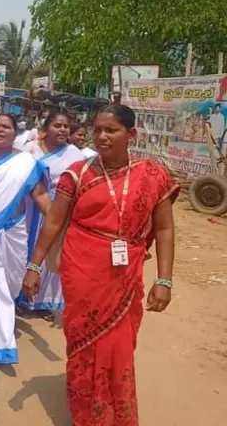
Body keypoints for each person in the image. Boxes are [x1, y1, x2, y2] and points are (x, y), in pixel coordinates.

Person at [22, 105, 178, 425]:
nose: (102, 136)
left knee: (119, 345)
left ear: (131, 134)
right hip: (82, 269)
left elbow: (164, 229)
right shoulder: (78, 173)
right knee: (83, 342)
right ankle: (86, 415)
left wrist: (164, 280)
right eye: (97, 130)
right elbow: (54, 222)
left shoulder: (153, 175)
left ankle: (116, 414)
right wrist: (34, 266)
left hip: (126, 272)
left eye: (111, 130)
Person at [0, 114, 52, 364]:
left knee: (11, 280)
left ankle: (1, 321)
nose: (1, 130)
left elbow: (40, 195)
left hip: (14, 230)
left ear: (16, 132)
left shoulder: (26, 162)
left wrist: (60, 221)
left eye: (6, 127)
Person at [19, 111, 85, 319]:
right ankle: (17, 295)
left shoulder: (75, 155)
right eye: (57, 125)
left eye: (66, 126)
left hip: (58, 210)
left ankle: (40, 301)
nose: (63, 129)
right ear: (46, 129)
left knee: (50, 252)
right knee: (23, 249)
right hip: (28, 208)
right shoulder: (29, 150)